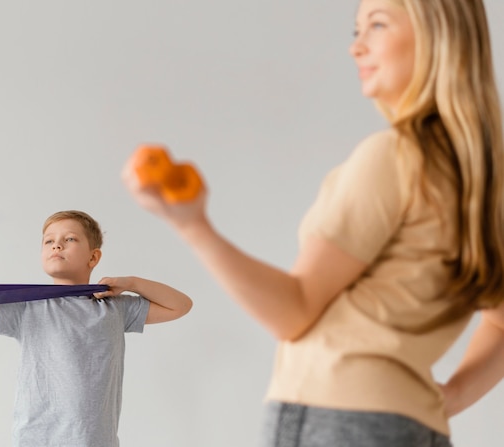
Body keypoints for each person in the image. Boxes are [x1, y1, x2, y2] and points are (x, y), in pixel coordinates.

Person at [122, 0, 504, 446]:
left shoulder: (394, 159)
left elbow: (295, 311)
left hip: (337, 420)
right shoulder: (487, 184)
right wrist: (447, 397)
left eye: (377, 25)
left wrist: (192, 226)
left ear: (440, 36)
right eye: (355, 30)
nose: (356, 47)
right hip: (418, 428)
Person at [0, 210, 193, 447]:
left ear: (94, 257)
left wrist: (131, 282)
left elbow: (180, 306)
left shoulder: (113, 308)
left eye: (69, 239)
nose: (56, 244)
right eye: (48, 241)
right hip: (36, 439)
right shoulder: (28, 308)